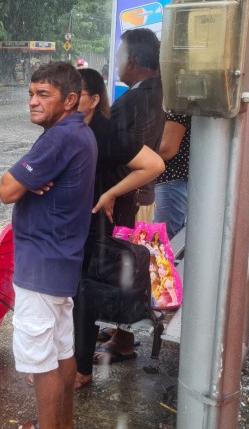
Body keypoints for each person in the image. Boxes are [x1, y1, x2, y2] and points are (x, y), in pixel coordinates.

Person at [0, 61, 97, 429]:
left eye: (44, 94)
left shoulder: (59, 138)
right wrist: (31, 179)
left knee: (42, 364)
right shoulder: (79, 132)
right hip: (61, 261)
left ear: (70, 99)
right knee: (61, 353)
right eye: (31, 94)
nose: (33, 102)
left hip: (41, 266)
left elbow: (6, 190)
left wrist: (24, 180)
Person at [72, 68, 164, 390]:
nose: (69, 99)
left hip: (102, 222)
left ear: (95, 99)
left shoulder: (106, 131)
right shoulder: (76, 128)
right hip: (87, 222)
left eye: (77, 94)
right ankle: (82, 358)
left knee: (84, 288)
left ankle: (82, 369)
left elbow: (154, 165)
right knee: (83, 288)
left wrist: (111, 192)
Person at [94, 27, 165, 365]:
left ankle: (123, 340)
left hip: (127, 198)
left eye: (120, 56)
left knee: (127, 266)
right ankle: (120, 331)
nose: (118, 62)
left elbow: (110, 146)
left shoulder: (135, 98)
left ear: (133, 61)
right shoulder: (156, 92)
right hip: (141, 195)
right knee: (133, 263)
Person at [154, 112, 191, 239]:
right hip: (172, 182)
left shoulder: (176, 108)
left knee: (164, 241)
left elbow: (167, 149)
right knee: (166, 239)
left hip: (170, 181)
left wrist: (136, 156)